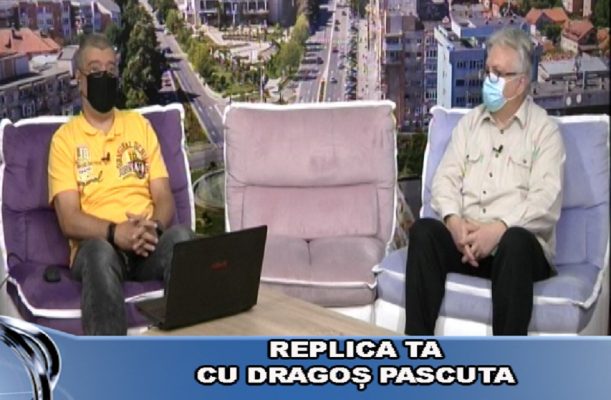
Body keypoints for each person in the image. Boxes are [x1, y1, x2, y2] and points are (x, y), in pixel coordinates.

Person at [404, 28, 566, 336]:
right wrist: (454, 223)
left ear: (522, 82)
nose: (490, 80)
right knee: (424, 231)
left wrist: (498, 230)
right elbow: (445, 180)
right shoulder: (470, 124)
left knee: (516, 242)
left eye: (499, 74)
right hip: (466, 242)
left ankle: (505, 360)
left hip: (516, 250)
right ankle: (417, 351)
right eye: (488, 71)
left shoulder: (544, 132)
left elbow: (545, 201)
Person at [48, 34, 195, 335]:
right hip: (99, 247)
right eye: (95, 70)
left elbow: (164, 196)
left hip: (147, 243)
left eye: (111, 69)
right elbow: (68, 219)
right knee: (99, 254)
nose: (105, 76)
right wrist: (116, 233)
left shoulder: (140, 126)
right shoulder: (64, 140)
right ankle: (111, 361)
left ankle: (193, 351)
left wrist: (153, 228)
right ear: (79, 79)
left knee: (183, 239)